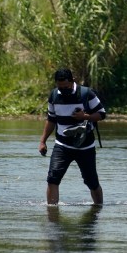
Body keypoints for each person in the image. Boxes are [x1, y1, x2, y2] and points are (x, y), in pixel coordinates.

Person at [38, 68, 107, 205]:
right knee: (53, 178)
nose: (63, 90)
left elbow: (102, 114)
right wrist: (42, 141)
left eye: (66, 87)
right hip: (62, 145)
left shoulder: (87, 94)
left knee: (91, 182)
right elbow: (51, 120)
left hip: (85, 146)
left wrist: (85, 116)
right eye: (60, 87)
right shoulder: (54, 96)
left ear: (73, 81)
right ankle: (52, 211)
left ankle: (98, 208)